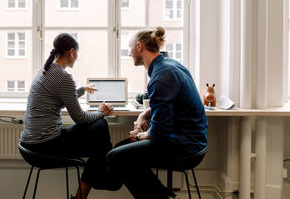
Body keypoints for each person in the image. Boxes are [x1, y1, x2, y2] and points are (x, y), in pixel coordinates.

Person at [106, 27, 208, 199]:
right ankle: (161, 194)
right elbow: (168, 101)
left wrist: (140, 136)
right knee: (121, 150)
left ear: (139, 47)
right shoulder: (170, 65)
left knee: (116, 157)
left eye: (129, 47)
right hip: (192, 140)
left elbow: (160, 133)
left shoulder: (162, 76)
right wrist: (143, 115)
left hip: (185, 146)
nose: (129, 52)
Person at [20, 33, 120, 199]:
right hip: (45, 145)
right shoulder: (64, 77)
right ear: (72, 52)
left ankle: (87, 189)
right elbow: (80, 118)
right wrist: (101, 112)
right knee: (100, 129)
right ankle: (97, 180)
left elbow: (58, 95)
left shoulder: (46, 69)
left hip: (30, 143)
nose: (77, 57)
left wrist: (81, 90)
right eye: (77, 54)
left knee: (99, 141)